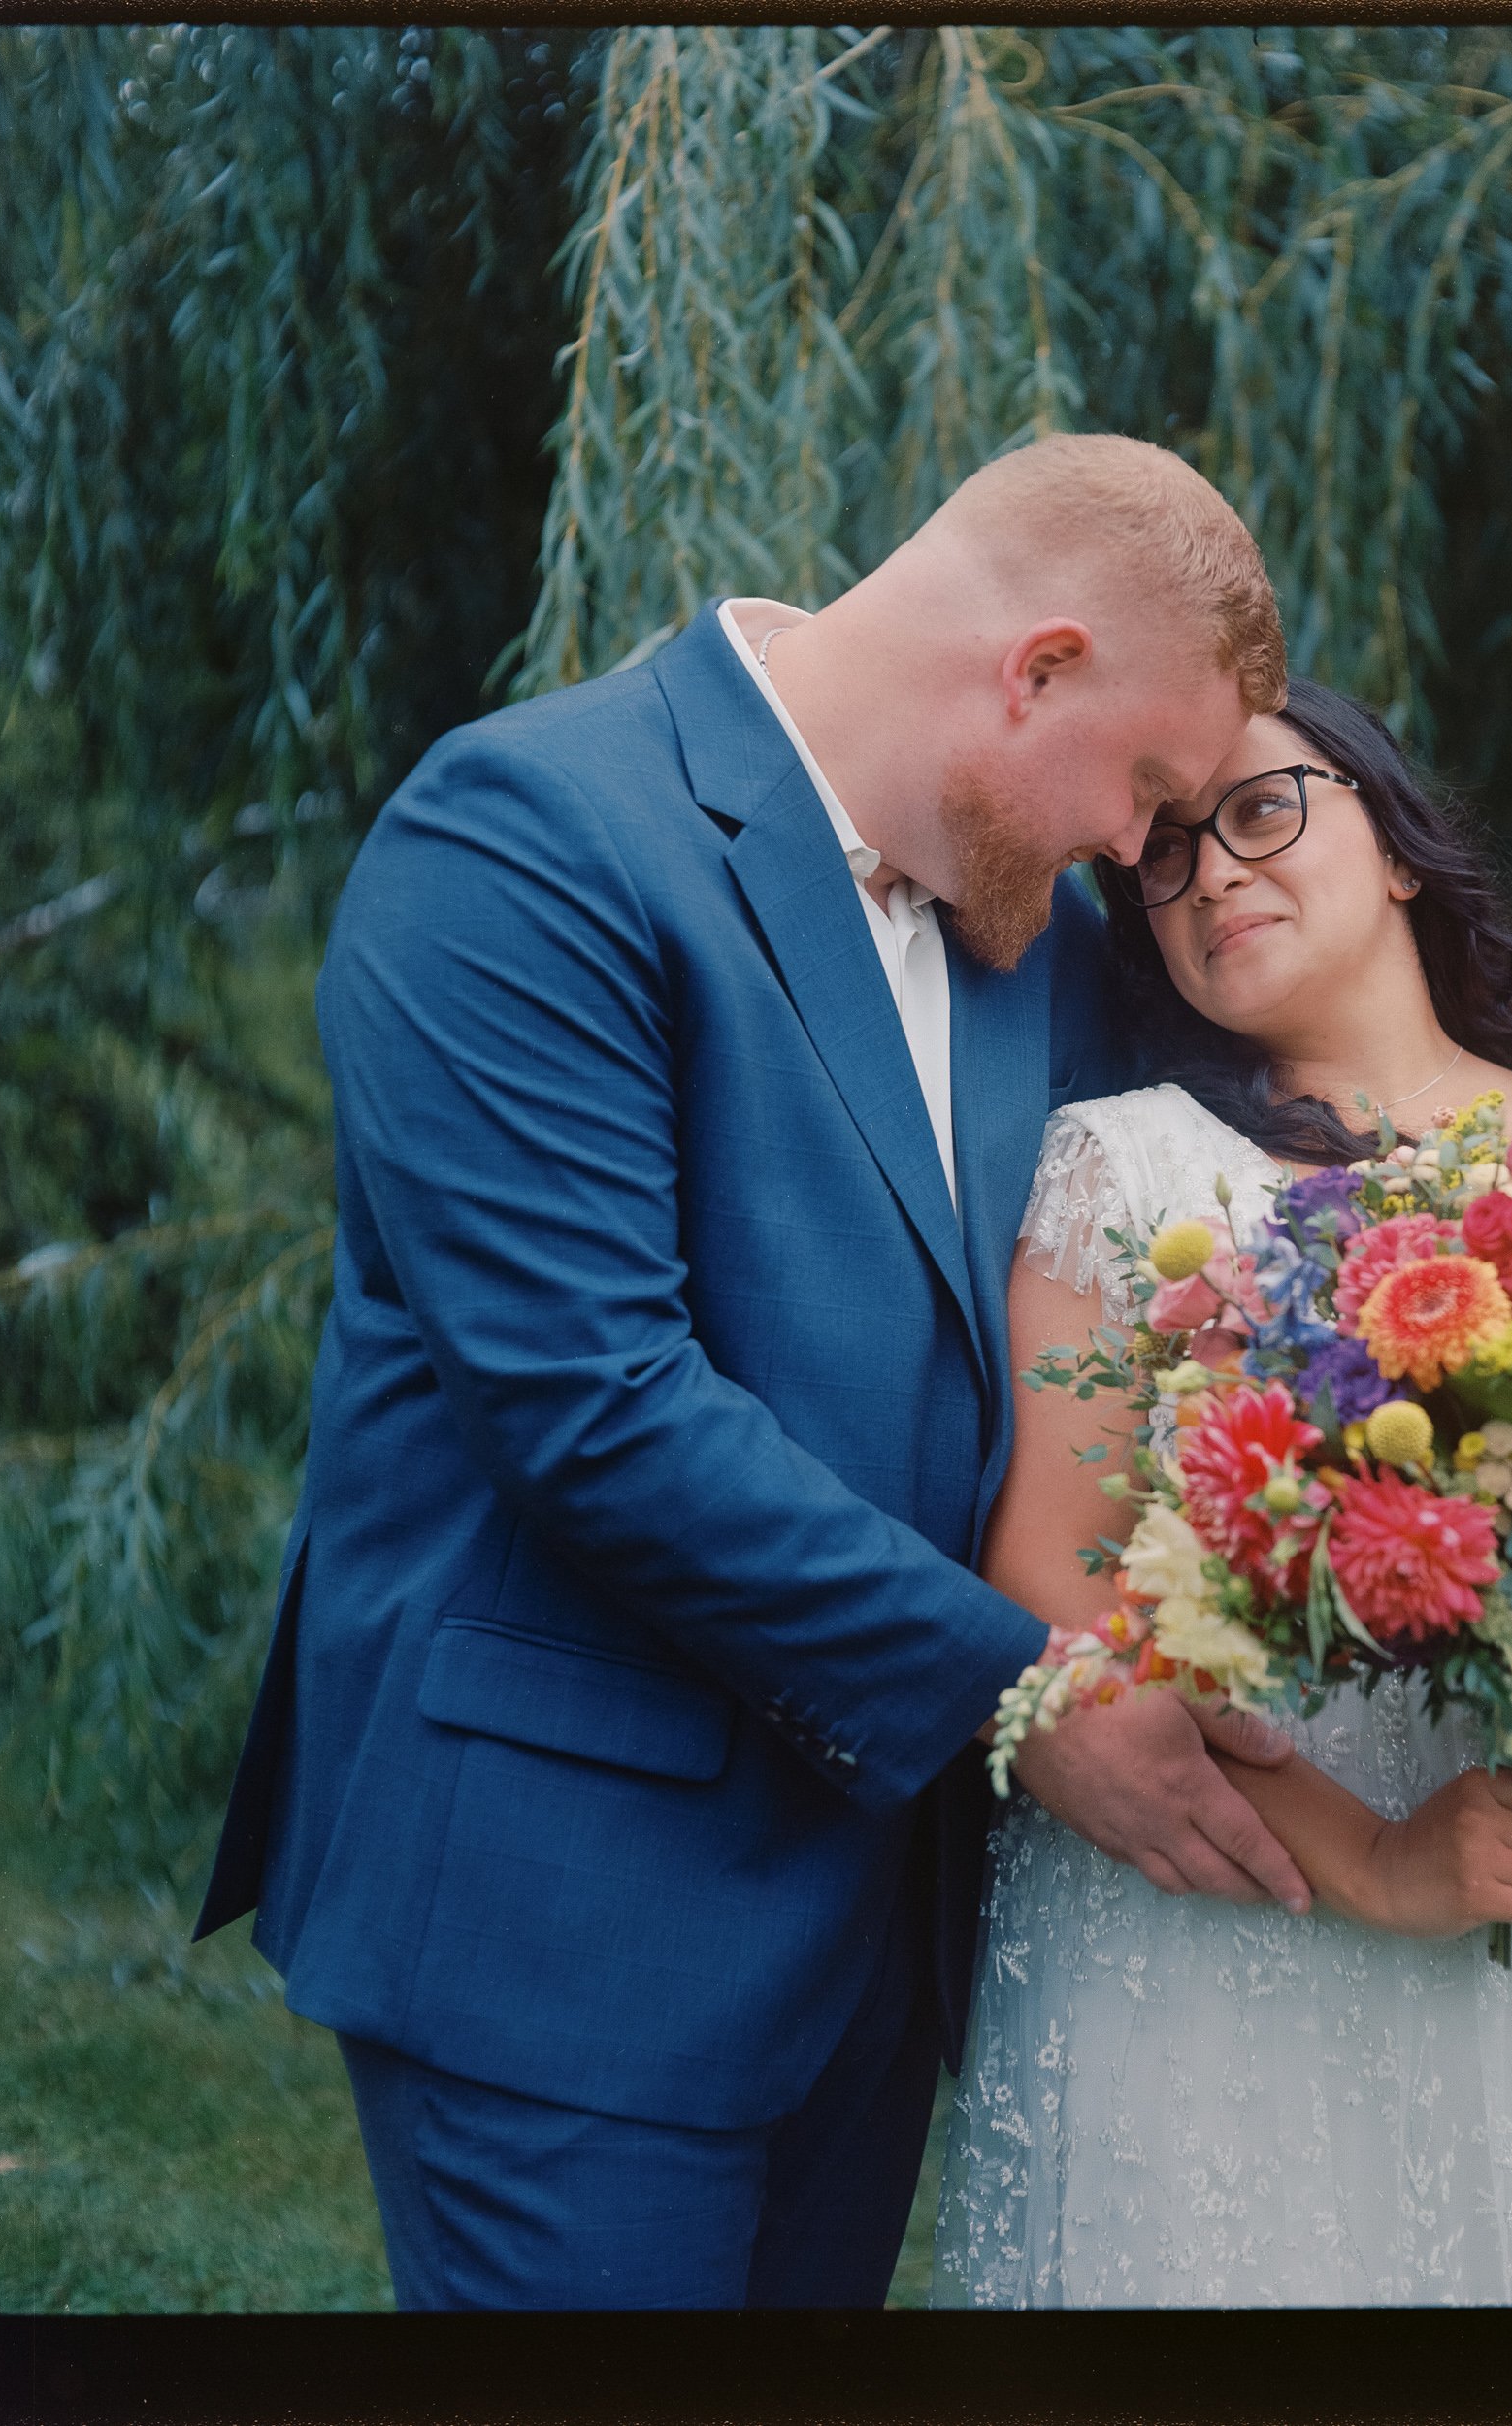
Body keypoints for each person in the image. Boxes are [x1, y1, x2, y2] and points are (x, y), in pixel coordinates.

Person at [194, 434, 1338, 2311]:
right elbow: (594, 1406)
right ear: (1035, 668)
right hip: (568, 1907)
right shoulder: (528, 840)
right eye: (1147, 790)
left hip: (872, 1927)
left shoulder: (1028, 937)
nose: (1145, 856)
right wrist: (1031, 1698)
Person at [933, 679, 1512, 2306]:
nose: (1210, 873)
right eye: (1165, 855)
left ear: (1401, 842)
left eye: (1262, 810)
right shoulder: (1123, 1175)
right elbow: (1057, 1592)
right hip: (1245, 1931)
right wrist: (1372, 1850)